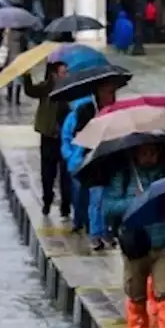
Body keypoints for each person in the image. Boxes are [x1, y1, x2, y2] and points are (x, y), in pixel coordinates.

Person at [103, 143, 165, 328]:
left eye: (153, 152)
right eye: (145, 152)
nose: (149, 156)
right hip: (135, 246)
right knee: (136, 295)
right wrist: (136, 200)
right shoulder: (124, 176)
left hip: (163, 243)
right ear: (136, 153)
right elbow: (109, 207)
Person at [61, 94, 110, 249]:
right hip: (78, 164)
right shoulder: (74, 118)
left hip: (91, 165)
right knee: (84, 198)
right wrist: (71, 158)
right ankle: (83, 224)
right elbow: (66, 140)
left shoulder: (100, 121)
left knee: (94, 199)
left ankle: (93, 230)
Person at [25, 61, 72, 217]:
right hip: (48, 137)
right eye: (63, 72)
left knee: (65, 174)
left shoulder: (71, 89)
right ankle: (47, 200)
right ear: (54, 74)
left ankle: (65, 205)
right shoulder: (47, 88)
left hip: (65, 138)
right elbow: (31, 90)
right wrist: (26, 75)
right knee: (47, 173)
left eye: (66, 72)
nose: (66, 75)